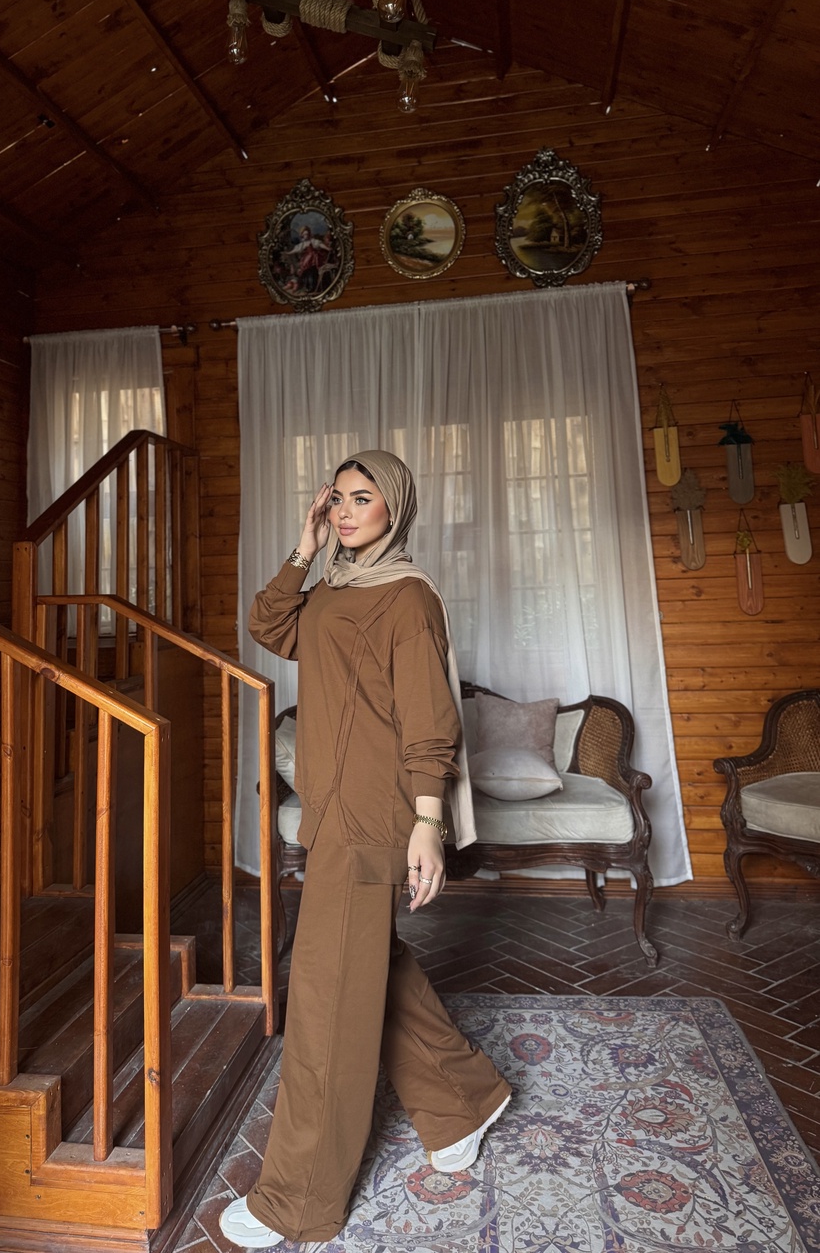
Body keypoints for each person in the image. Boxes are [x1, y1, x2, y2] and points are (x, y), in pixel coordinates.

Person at [221, 450, 511, 1249]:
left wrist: (427, 823)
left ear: (396, 509)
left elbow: (429, 720)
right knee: (364, 967)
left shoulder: (407, 597)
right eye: (338, 499)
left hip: (375, 818)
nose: (346, 512)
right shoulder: (330, 588)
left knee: (326, 1001)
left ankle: (297, 1202)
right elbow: (268, 625)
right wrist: (303, 548)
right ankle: (465, 1100)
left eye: (363, 499)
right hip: (331, 815)